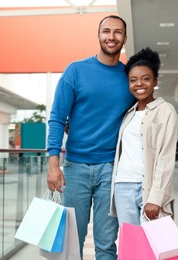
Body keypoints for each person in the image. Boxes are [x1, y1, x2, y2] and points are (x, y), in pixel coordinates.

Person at [47, 15, 135, 259]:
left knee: (107, 244)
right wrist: (53, 163)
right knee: (71, 243)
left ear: (124, 39)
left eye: (117, 32)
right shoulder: (75, 71)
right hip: (75, 169)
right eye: (106, 31)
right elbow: (56, 118)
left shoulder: (129, 77)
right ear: (99, 35)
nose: (111, 36)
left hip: (112, 169)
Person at [109, 47, 178, 227]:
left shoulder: (166, 111)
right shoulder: (128, 114)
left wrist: (155, 198)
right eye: (133, 80)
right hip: (122, 186)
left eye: (145, 79)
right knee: (132, 248)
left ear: (155, 81)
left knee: (154, 248)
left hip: (148, 188)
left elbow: (166, 158)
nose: (139, 84)